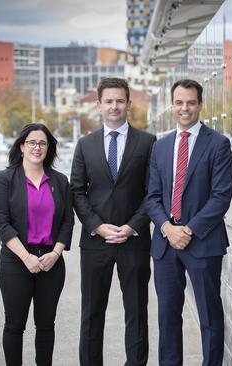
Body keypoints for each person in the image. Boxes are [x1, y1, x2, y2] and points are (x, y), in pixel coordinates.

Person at [146, 78, 232, 366]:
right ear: (173, 105)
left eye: (191, 102)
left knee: (210, 316)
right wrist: (167, 228)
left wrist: (189, 230)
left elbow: (221, 197)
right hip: (165, 245)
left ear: (200, 104)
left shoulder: (218, 144)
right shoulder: (161, 146)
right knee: (168, 317)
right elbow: (152, 197)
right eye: (180, 102)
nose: (185, 108)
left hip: (203, 244)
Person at [70, 77, 156, 366]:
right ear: (99, 104)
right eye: (109, 101)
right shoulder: (85, 145)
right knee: (92, 314)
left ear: (129, 103)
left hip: (134, 241)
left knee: (137, 313)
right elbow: (76, 191)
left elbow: (152, 192)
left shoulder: (148, 142)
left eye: (120, 100)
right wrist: (96, 226)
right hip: (96, 242)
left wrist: (133, 226)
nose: (115, 106)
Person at [0, 123, 74, 366]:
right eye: (32, 142)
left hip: (51, 262)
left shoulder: (59, 181)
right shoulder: (6, 179)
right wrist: (26, 257)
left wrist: (56, 253)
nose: (37, 147)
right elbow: (2, 223)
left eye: (42, 143)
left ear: (49, 148)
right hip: (16, 262)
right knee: (15, 325)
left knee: (46, 325)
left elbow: (68, 221)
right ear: (21, 146)